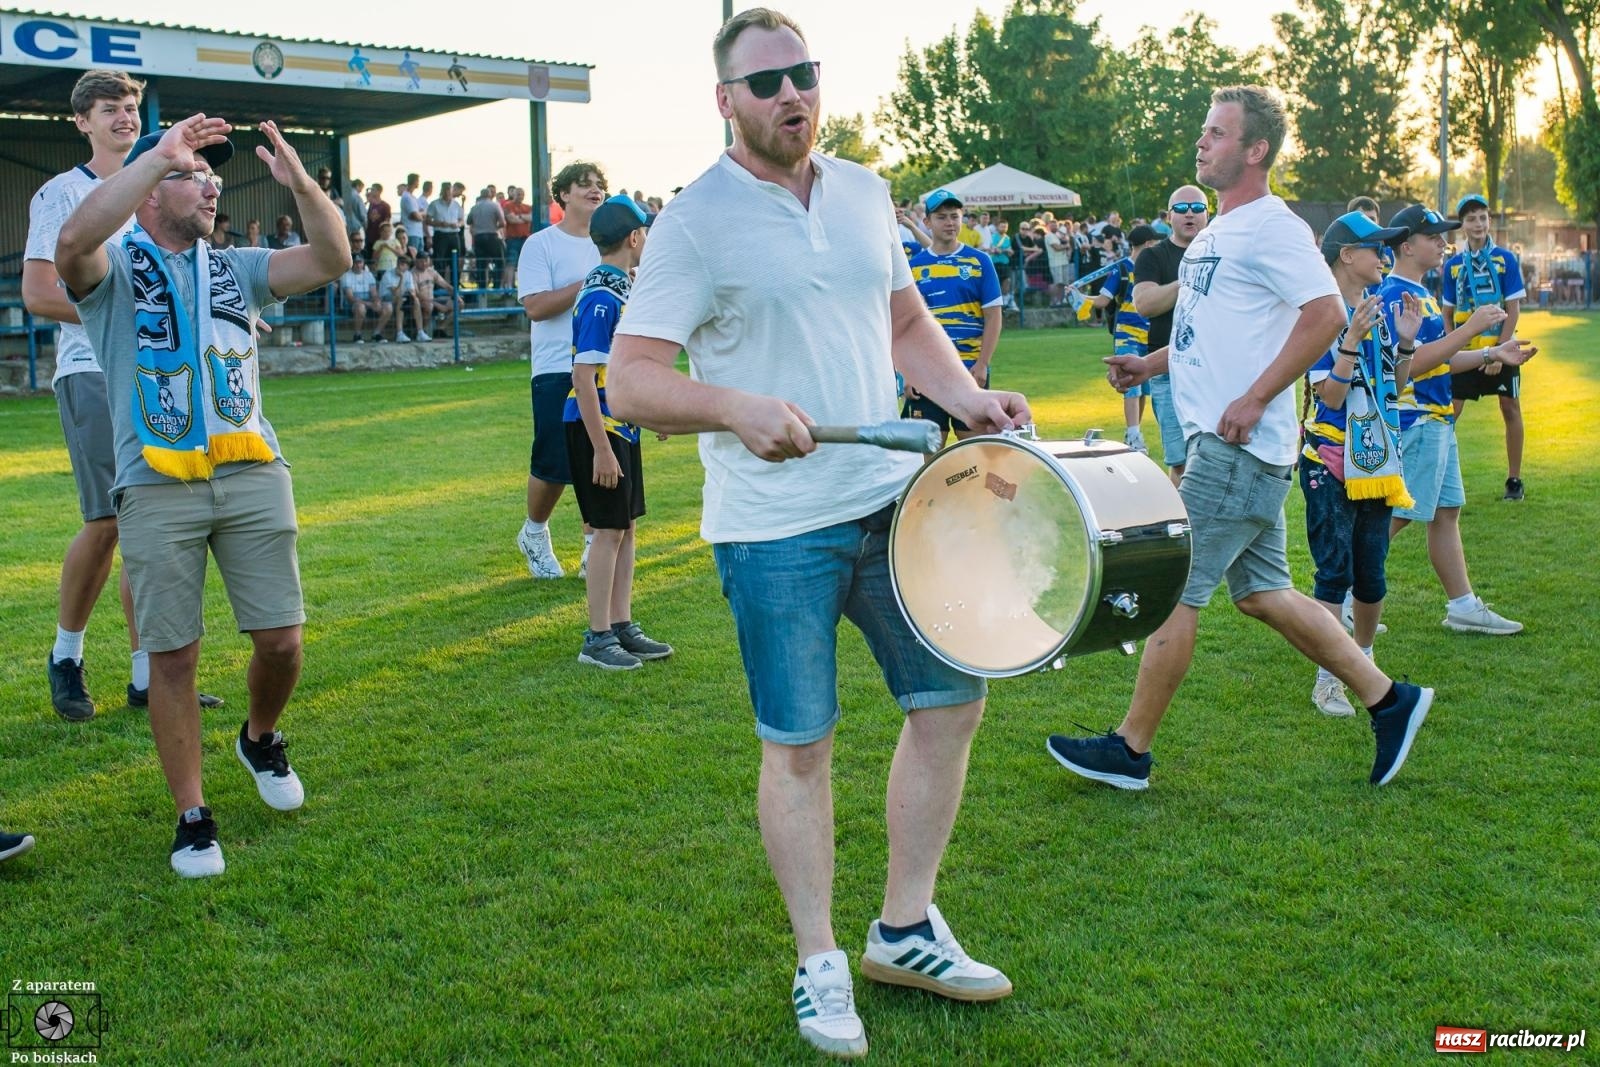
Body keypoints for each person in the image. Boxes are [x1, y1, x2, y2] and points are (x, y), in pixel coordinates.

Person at [606, 10, 1028, 1057]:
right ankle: (817, 956)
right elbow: (631, 378)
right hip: (772, 529)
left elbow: (900, 322)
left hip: (893, 499)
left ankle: (904, 926)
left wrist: (966, 397)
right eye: (767, 83)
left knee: (950, 703)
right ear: (725, 102)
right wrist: (734, 406)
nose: (791, 94)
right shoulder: (695, 221)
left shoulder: (861, 190)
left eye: (803, 74)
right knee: (800, 746)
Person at [1049, 85, 1435, 793]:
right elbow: (1207, 335)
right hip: (1224, 445)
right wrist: (1149, 362)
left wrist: (1256, 398)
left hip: (1235, 447)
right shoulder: (1221, 231)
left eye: (1218, 133)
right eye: (1204, 131)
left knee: (1174, 588)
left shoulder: (1274, 227)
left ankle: (1130, 750)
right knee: (1263, 594)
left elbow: (1323, 316)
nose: (1202, 142)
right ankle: (1390, 698)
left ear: (1255, 150)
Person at [55, 115, 350, 877]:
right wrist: (157, 158)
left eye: (212, 173)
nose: (211, 182)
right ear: (152, 188)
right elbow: (70, 249)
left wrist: (302, 180)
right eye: (193, 172)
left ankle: (258, 736)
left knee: (282, 641)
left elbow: (332, 255)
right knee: (172, 656)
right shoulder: (115, 271)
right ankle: (193, 815)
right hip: (154, 481)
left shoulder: (240, 266)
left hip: (252, 470)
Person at [23, 69, 225, 721]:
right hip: (91, 370)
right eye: (109, 108)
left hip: (159, 373)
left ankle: (149, 676)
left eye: (132, 106)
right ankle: (66, 656)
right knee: (106, 520)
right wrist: (123, 316)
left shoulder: (160, 192)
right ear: (81, 122)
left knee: (155, 518)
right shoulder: (61, 194)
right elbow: (38, 293)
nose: (124, 117)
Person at [1379, 204, 1536, 636]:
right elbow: (1411, 364)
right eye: (1433, 237)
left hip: (1438, 418)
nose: (1443, 243)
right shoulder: (1397, 294)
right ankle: (1347, 594)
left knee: (1447, 511)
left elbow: (1440, 361)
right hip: (1418, 420)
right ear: (1407, 246)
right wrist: (1472, 330)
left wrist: (1493, 353)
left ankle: (1463, 606)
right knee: (1398, 514)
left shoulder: (1421, 293)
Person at [1299, 212, 1421, 716]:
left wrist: (1407, 340)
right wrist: (1350, 339)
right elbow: (1328, 393)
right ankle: (1329, 678)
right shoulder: (1320, 314)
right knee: (1334, 573)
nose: (1385, 258)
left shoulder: (1375, 309)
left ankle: (1363, 661)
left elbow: (1395, 382)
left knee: (1371, 576)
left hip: (1374, 464)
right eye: (1375, 249)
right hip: (1328, 461)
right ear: (1347, 255)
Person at [564, 196, 673, 670]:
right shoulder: (601, 297)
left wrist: (648, 416)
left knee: (625, 528)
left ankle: (622, 625)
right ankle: (597, 636)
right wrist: (602, 449)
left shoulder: (621, 289)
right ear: (633, 238)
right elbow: (583, 377)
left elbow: (620, 373)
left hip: (620, 427)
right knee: (607, 531)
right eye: (645, 233)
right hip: (598, 431)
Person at [515, 160, 608, 580]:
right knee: (554, 462)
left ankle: (594, 545)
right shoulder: (541, 244)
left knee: (603, 456)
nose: (594, 189)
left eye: (599, 184)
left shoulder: (610, 243)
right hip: (557, 367)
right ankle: (534, 532)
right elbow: (535, 307)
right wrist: (589, 282)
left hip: (606, 367)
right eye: (584, 184)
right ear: (564, 195)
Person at [900, 189, 1003, 447]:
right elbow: (903, 324)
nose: (949, 223)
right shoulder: (913, 267)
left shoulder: (980, 261)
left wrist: (983, 364)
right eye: (942, 217)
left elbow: (993, 317)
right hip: (926, 372)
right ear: (927, 222)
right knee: (929, 451)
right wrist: (907, 374)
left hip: (968, 370)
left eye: (954, 217)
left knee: (974, 451)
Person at [1444, 193, 1529, 500]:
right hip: (1466, 351)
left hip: (1502, 345)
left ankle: (1514, 480)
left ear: (1489, 221)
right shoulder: (1453, 265)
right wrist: (1452, 352)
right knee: (1449, 411)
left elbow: (1513, 308)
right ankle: (1437, 473)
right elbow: (1448, 313)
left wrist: (1501, 350)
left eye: (1482, 217)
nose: (1478, 224)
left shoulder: (1505, 259)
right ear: (1462, 225)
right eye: (1471, 218)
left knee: (1510, 407)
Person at [1131, 186, 1210, 482]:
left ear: (1208, 214)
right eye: (1180, 208)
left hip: (1215, 369)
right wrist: (1190, 277)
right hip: (1168, 371)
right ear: (1168, 217)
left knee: (1215, 457)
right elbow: (1145, 304)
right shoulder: (1153, 256)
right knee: (1180, 462)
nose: (1189, 213)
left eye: (1196, 207)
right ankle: (1186, 526)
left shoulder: (1223, 253)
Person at [1087, 224, 1161, 452]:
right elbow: (1102, 300)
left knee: (1143, 386)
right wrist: (1080, 297)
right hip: (1127, 334)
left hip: (1149, 335)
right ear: (1148, 243)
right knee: (1131, 385)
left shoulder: (1153, 268)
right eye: (1155, 242)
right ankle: (1133, 434)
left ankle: (1134, 433)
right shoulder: (1121, 269)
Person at [467, 187, 507, 301]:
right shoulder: (494, 205)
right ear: (490, 196)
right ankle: (496, 287)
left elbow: (469, 221)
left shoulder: (474, 207)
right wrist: (494, 226)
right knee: (499, 262)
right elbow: (502, 222)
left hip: (478, 237)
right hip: (492, 235)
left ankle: (482, 289)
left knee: (481, 264)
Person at [339, 255, 390, 343]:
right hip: (350, 305)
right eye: (355, 263)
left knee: (388, 307)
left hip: (368, 302)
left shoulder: (368, 274)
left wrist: (377, 301)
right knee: (360, 307)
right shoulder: (346, 276)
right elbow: (350, 298)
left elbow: (374, 293)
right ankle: (357, 334)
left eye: (360, 262)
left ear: (363, 263)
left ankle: (377, 333)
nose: (358, 265)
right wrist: (369, 304)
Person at [413, 252, 457, 337]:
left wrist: (456, 295)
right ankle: (422, 332)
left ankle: (440, 329)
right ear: (416, 261)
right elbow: (416, 293)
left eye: (426, 261)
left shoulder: (431, 271)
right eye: (421, 261)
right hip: (421, 301)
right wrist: (435, 304)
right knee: (428, 306)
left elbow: (445, 284)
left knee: (459, 304)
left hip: (432, 299)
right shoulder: (413, 273)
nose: (424, 263)